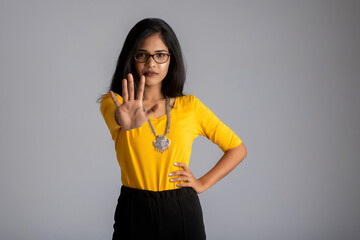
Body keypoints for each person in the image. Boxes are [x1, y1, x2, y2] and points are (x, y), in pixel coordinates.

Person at [99, 18, 247, 240]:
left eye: (160, 55)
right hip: (134, 208)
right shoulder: (115, 103)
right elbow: (117, 116)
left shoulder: (191, 107)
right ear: (131, 58)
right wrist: (123, 119)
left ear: (171, 60)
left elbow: (237, 148)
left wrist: (202, 183)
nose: (151, 64)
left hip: (181, 209)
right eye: (142, 55)